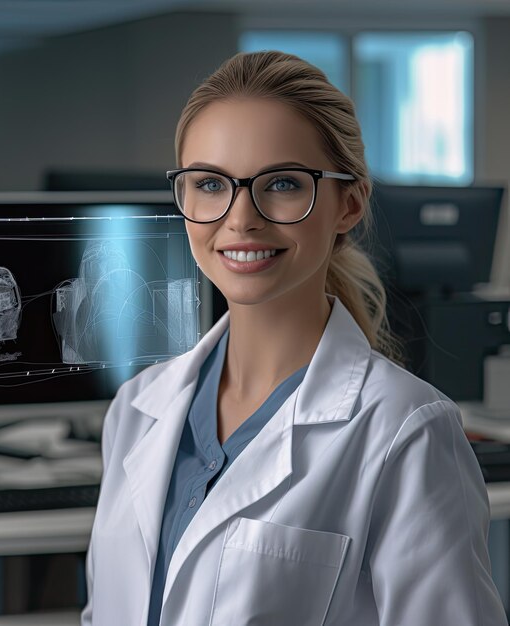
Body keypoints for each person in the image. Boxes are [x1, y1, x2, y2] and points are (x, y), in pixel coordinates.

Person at [81, 51, 506, 625]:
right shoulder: (136, 409)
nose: (240, 219)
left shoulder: (407, 430)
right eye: (209, 183)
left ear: (348, 203)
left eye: (281, 183)